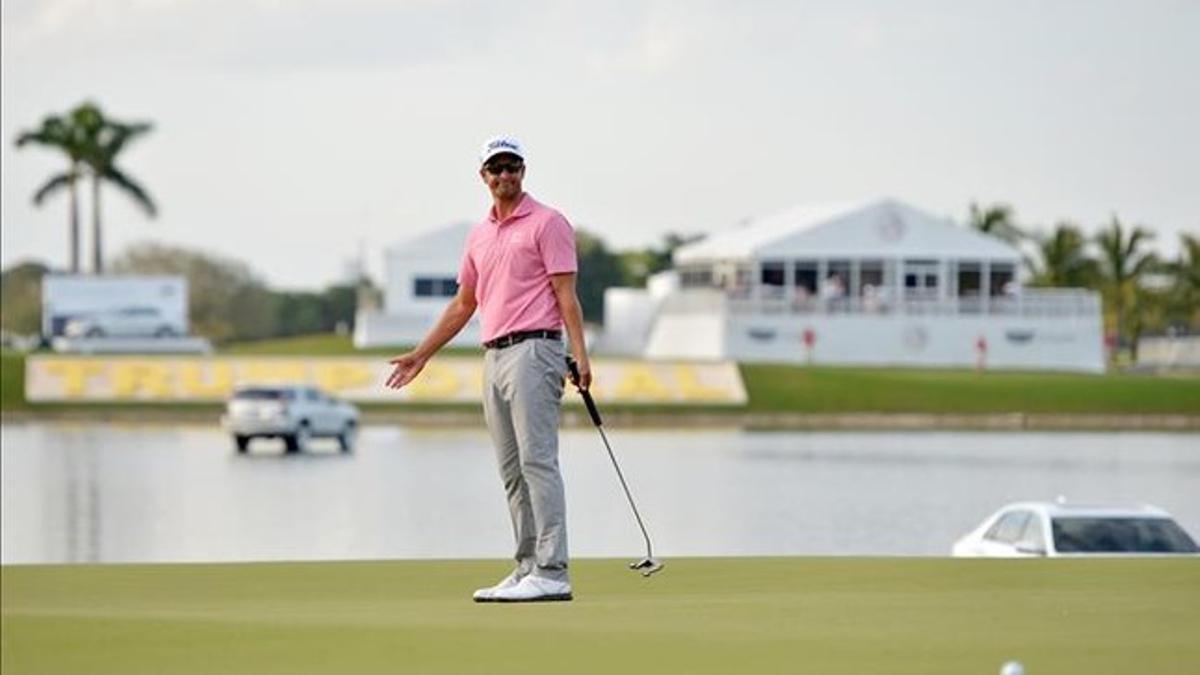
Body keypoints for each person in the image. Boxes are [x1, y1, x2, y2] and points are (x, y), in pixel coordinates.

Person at [385, 135, 590, 603]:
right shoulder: (479, 235)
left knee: (538, 461)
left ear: (523, 170)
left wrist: (580, 354)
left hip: (536, 349)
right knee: (512, 470)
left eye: (512, 167)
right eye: (495, 169)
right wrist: (422, 353)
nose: (505, 176)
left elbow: (566, 296)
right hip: (493, 354)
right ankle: (527, 568)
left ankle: (553, 571)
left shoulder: (548, 223)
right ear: (483, 176)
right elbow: (464, 304)